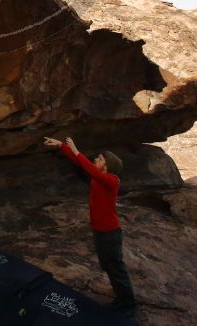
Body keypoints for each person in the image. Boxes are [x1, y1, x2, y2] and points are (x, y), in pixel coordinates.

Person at [43, 136, 138, 318]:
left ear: (107, 166)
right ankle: (121, 299)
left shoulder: (112, 181)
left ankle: (129, 304)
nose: (96, 159)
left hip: (110, 233)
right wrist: (62, 146)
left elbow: (88, 167)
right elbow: (82, 164)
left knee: (116, 268)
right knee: (108, 266)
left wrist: (76, 150)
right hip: (101, 232)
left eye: (100, 159)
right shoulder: (99, 177)